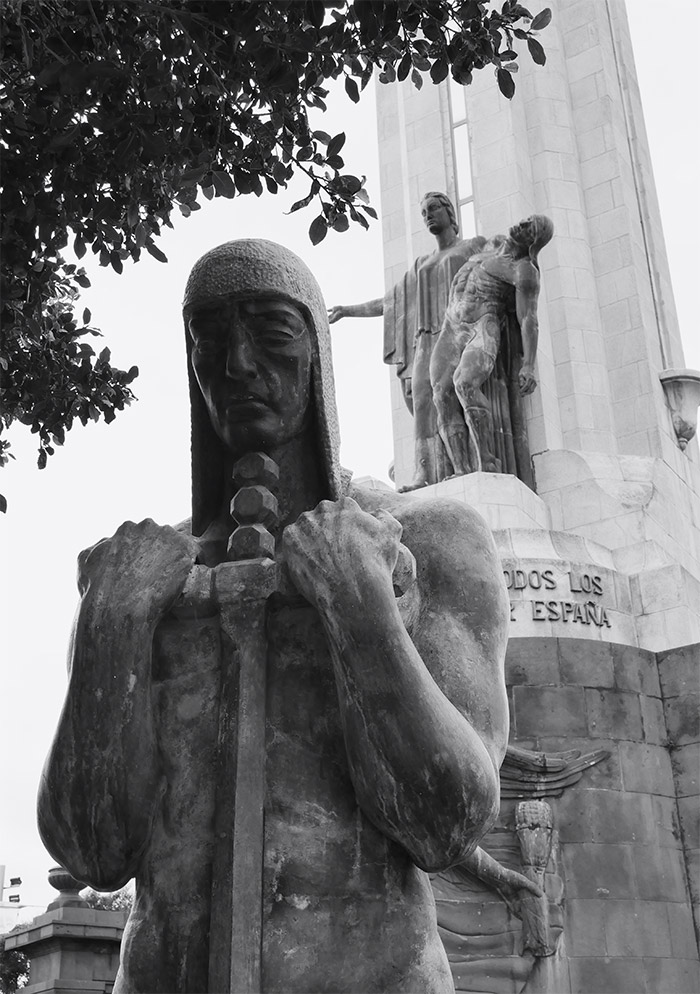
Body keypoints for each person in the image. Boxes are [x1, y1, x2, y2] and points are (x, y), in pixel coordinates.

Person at [38, 239, 510, 993]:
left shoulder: (427, 542)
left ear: (317, 351)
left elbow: (446, 821)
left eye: (271, 330)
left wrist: (361, 609)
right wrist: (111, 629)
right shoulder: (145, 577)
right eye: (210, 339)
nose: (239, 364)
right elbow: (91, 852)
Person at [328, 193, 485, 490]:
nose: (428, 215)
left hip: (459, 332)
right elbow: (391, 302)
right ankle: (424, 475)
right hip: (426, 339)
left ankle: (470, 465)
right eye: (424, 211)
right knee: (423, 403)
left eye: (434, 209)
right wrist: (348, 311)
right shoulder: (420, 266)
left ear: (450, 213)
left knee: (452, 396)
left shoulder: (470, 248)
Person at [430, 215, 553, 478]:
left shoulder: (524, 270)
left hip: (482, 326)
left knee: (464, 384)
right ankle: (461, 469)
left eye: (528, 228)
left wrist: (529, 365)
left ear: (532, 241)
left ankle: (485, 459)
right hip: (451, 327)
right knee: (440, 394)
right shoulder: (491, 245)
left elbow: (528, 318)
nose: (520, 225)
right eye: (524, 221)